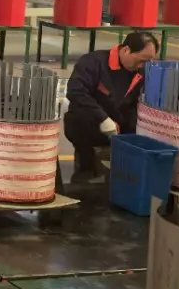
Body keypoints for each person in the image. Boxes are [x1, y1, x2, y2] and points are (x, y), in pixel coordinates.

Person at [65, 32, 158, 183]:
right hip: (91, 124)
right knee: (78, 119)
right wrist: (102, 118)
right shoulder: (93, 62)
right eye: (141, 60)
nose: (143, 66)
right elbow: (75, 91)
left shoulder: (141, 71)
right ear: (126, 50)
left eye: (148, 61)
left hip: (121, 126)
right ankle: (85, 173)